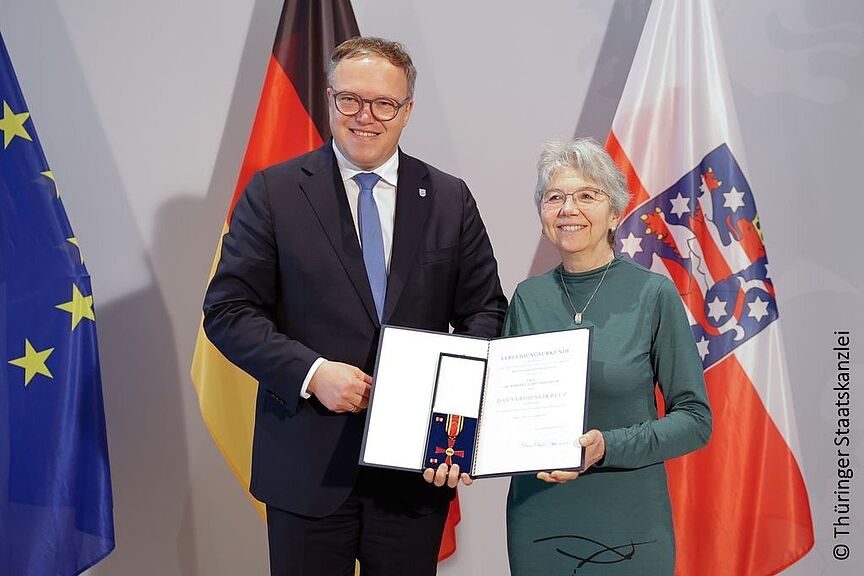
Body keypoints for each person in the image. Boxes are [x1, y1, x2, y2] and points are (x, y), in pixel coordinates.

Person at [203, 37, 506, 576]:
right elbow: (229, 311)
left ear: (407, 111)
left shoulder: (449, 197)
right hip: (305, 467)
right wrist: (312, 373)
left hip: (414, 472)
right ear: (329, 99)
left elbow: (486, 313)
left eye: (384, 103)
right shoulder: (273, 192)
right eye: (351, 99)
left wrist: (451, 418)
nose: (366, 116)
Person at [504, 138, 712, 575]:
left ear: (615, 213)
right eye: (554, 197)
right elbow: (505, 411)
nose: (568, 209)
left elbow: (695, 420)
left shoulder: (653, 293)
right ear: (542, 214)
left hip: (628, 518)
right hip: (539, 516)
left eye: (587, 196)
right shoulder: (527, 297)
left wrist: (606, 447)